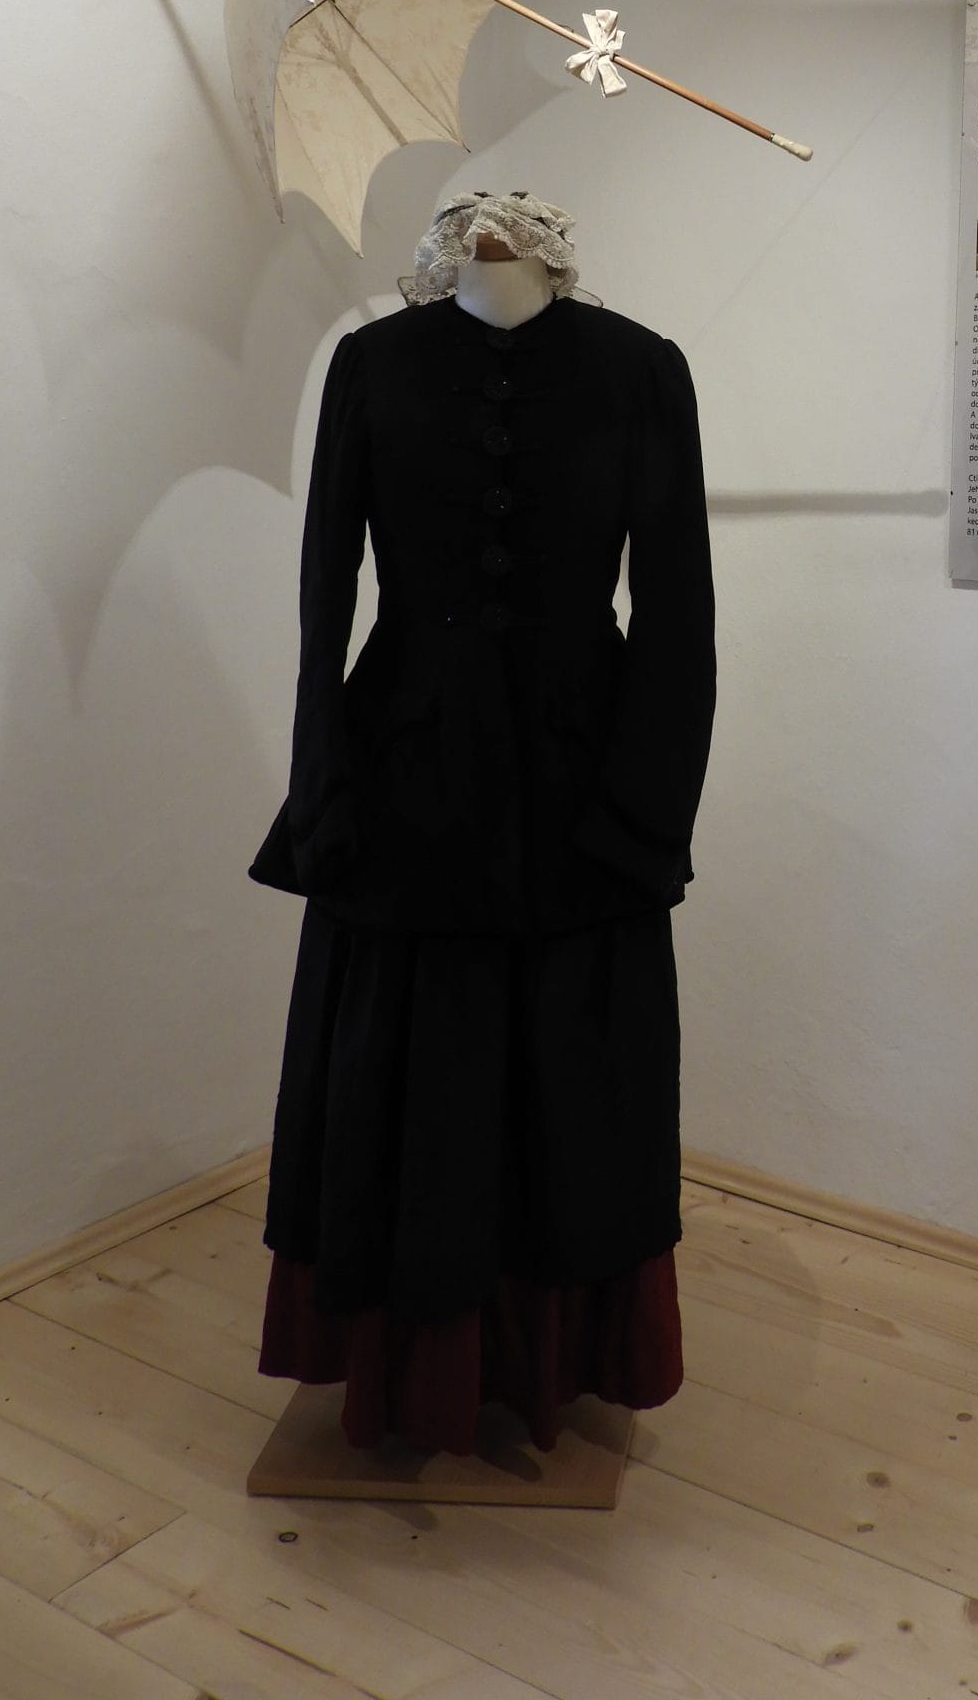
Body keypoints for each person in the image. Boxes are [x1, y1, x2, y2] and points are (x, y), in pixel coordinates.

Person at [251, 190, 714, 1459]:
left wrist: (651, 809)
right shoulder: (371, 365)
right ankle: (410, 1359)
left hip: (582, 781)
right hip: (408, 772)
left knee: (572, 1064)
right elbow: (324, 593)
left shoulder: (642, 370)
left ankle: (554, 1354)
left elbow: (678, 610)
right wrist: (321, 779)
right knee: (406, 1060)